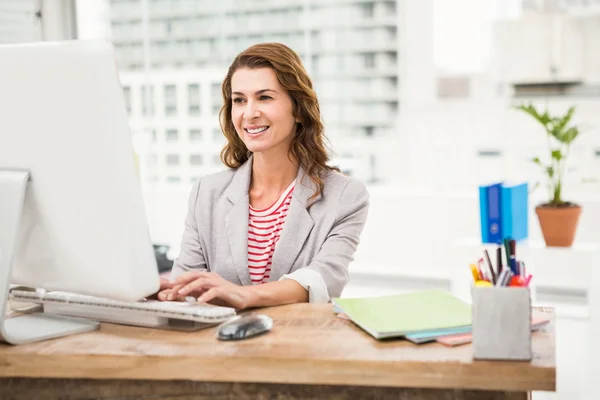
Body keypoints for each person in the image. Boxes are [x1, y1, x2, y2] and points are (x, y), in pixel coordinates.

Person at [157, 42, 369, 309]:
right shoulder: (207, 192)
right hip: (218, 345)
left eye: (265, 97)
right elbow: (186, 281)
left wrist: (245, 296)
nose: (249, 113)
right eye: (239, 100)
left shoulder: (344, 196)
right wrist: (170, 293)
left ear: (299, 109)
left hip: (299, 346)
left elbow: (325, 278)